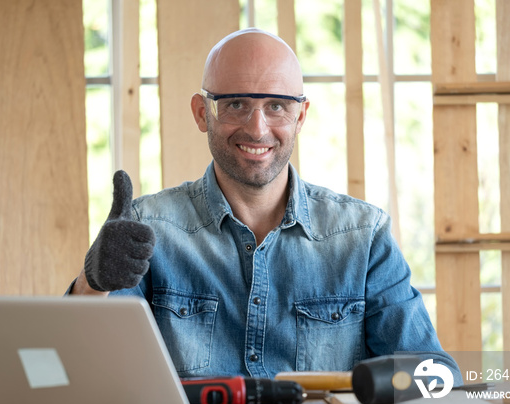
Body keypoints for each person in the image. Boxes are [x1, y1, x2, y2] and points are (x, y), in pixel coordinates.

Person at [69, 28, 461, 382]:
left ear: (300, 115)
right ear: (202, 113)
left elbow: (436, 379)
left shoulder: (362, 236)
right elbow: (81, 375)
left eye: (276, 105)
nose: (257, 128)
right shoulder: (147, 229)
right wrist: (92, 285)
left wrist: (358, 394)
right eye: (236, 104)